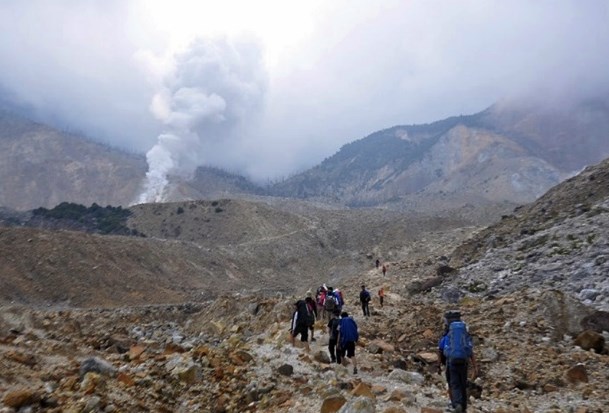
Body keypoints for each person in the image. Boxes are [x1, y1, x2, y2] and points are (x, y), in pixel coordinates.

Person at [438, 310, 478, 413]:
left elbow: (440, 349)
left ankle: (456, 405)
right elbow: (470, 349)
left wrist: (439, 364)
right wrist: (475, 366)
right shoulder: (463, 333)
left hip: (451, 362)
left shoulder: (448, 334)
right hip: (464, 362)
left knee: (454, 384)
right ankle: (463, 407)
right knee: (462, 384)